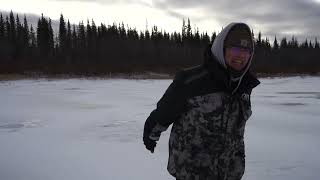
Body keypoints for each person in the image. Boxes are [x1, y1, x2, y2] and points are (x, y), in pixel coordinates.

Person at [143, 22, 260, 180]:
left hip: (229, 172)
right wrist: (151, 134)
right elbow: (164, 112)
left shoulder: (244, 86)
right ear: (221, 48)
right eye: (235, 49)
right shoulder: (191, 81)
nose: (241, 56)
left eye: (246, 51)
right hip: (192, 172)